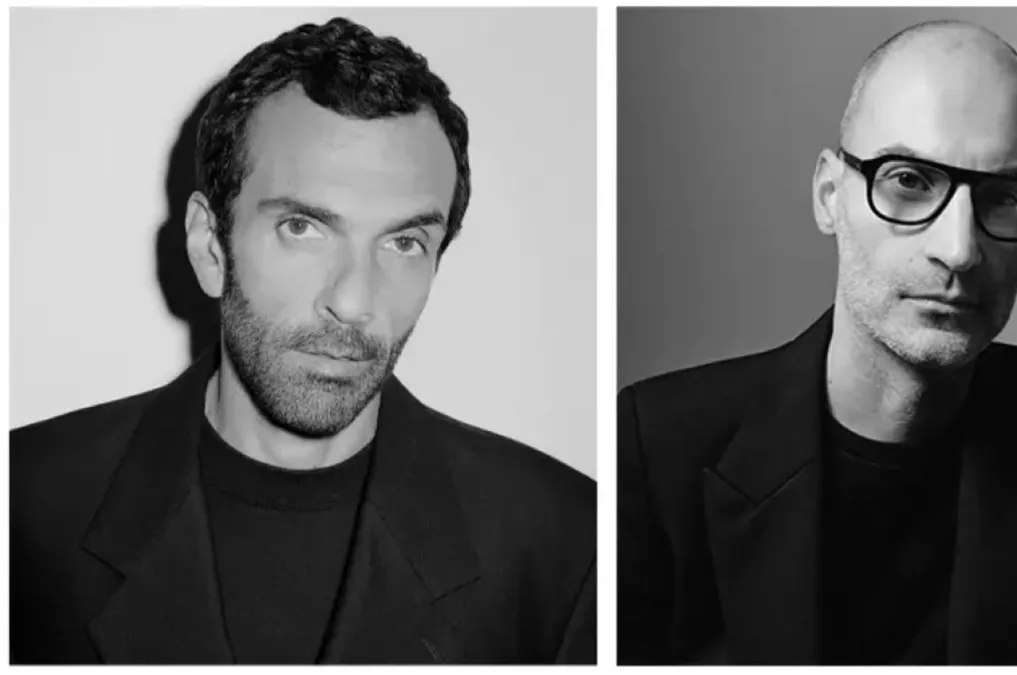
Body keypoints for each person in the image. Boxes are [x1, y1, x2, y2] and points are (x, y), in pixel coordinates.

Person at [11, 17, 595, 665]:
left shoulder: (565, 539)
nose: (353, 299)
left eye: (404, 242)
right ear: (210, 245)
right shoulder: (23, 505)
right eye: (302, 227)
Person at [617, 19, 1017, 666]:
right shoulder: (656, 448)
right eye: (910, 181)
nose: (959, 249)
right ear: (830, 195)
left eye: (1004, 197)